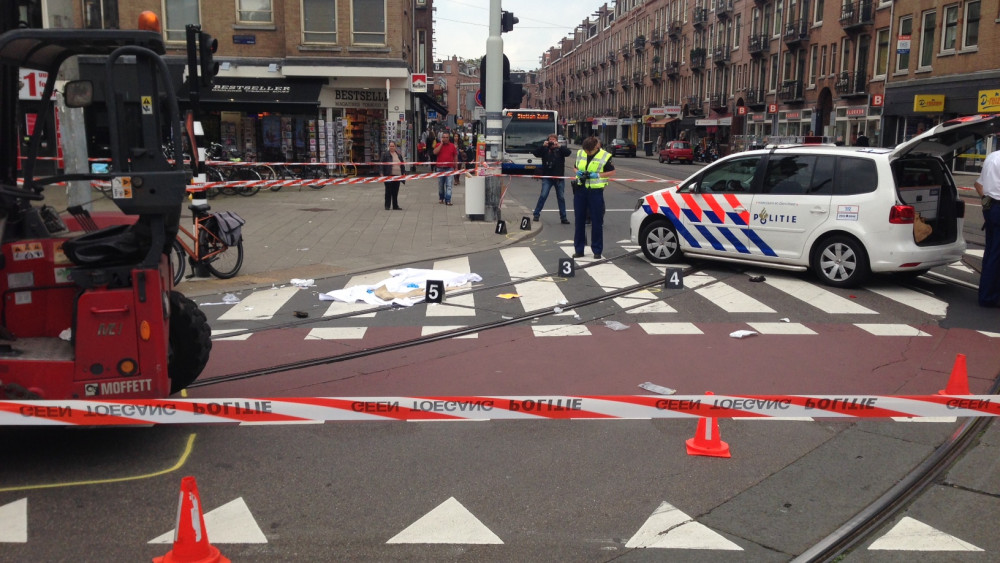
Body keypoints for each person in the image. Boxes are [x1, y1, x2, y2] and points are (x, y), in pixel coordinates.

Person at [572, 136, 615, 259]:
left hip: (595, 191)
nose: (587, 153)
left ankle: (597, 250)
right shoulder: (581, 152)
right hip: (580, 189)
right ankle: (579, 249)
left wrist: (597, 175)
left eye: (589, 151)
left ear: (596, 147)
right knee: (579, 220)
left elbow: (612, 172)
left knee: (597, 221)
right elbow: (575, 167)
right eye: (586, 150)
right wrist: (577, 172)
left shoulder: (605, 156)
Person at [975, 149, 1000, 307]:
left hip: (990, 208)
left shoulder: (992, 157)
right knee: (996, 255)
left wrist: (987, 199)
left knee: (991, 252)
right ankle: (988, 297)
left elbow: (978, 184)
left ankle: (986, 291)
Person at [531, 133, 573, 224]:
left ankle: (563, 217)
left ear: (556, 141)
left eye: (554, 139)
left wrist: (560, 146)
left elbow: (568, 153)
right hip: (547, 177)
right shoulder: (545, 149)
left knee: (561, 197)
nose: (552, 141)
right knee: (543, 195)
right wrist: (543, 146)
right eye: (550, 139)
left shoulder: (560, 150)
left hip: (559, 178)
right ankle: (536, 214)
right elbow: (535, 153)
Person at [433, 131, 458, 205]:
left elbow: (455, 156)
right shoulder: (438, 145)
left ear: (449, 138)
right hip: (440, 168)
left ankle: (448, 199)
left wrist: (456, 167)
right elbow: (435, 152)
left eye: (447, 137)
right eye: (444, 137)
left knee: (449, 184)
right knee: (441, 184)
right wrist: (441, 144)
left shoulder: (452, 146)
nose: (445, 139)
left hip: (449, 168)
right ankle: (441, 197)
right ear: (441, 138)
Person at [380, 141, 404, 210]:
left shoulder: (398, 155)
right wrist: (381, 173)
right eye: (390, 146)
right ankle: (387, 206)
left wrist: (403, 173)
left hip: (397, 176)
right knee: (388, 191)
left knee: (395, 191)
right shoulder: (385, 155)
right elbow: (381, 165)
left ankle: (395, 206)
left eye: (393, 146)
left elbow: (402, 165)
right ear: (388, 146)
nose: (391, 147)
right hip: (389, 175)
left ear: (395, 147)